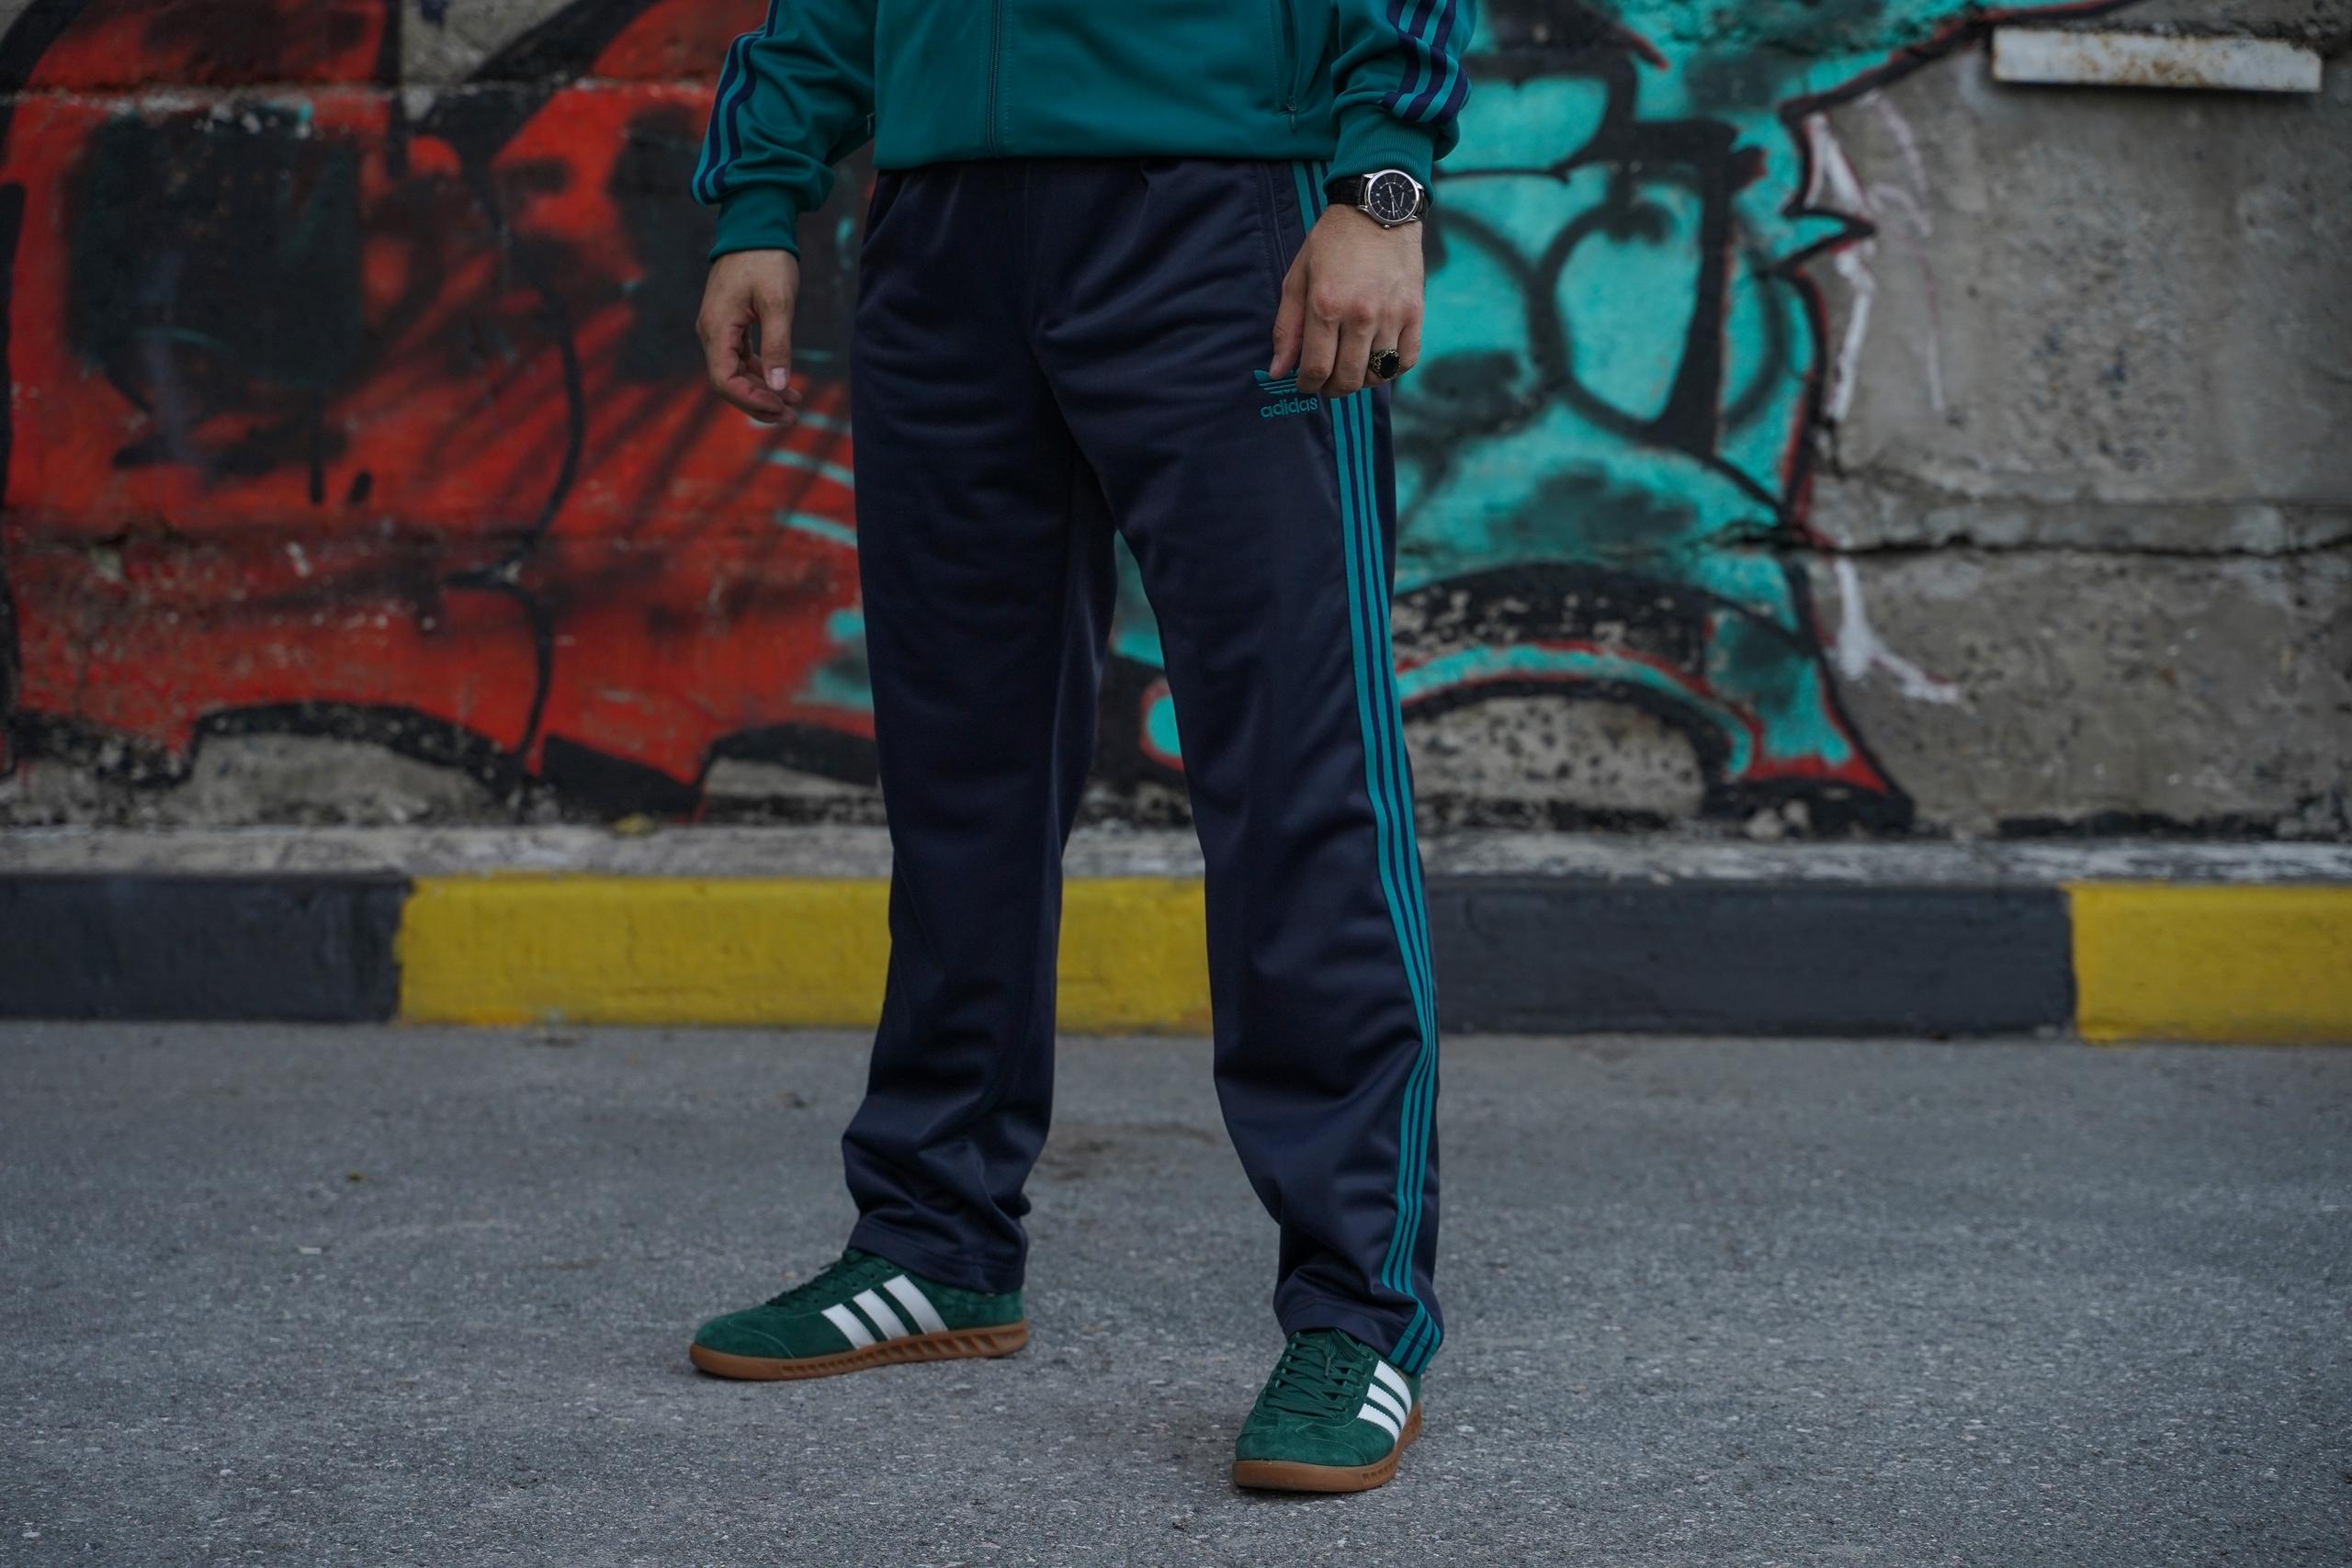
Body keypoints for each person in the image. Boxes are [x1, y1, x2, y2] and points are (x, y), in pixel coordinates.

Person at [685, 0, 1474, 1495]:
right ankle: (935, 1242)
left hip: (1216, 212)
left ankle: (1359, 1310)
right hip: (942, 236)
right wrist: (764, 192)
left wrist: (1380, 187)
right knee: (960, 777)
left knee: (1297, 775)